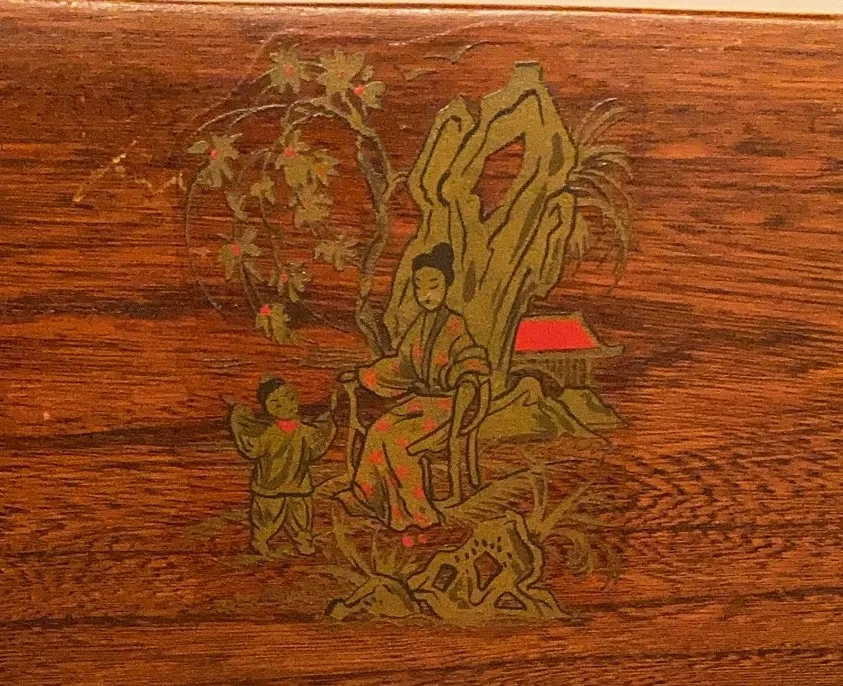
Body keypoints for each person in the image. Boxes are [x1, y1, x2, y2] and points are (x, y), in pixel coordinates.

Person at [336, 243, 490, 531]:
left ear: (447, 285)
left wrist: (458, 380)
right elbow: (402, 365)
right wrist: (364, 375)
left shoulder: (455, 325)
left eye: (434, 285)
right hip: (421, 402)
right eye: (419, 287)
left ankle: (416, 511)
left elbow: (471, 363)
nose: (426, 294)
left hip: (447, 407)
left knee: (397, 442)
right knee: (378, 430)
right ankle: (368, 496)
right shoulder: (420, 324)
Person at [228, 376, 336, 556]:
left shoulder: (305, 431)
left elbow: (318, 441)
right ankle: (260, 540)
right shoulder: (266, 433)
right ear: (267, 408)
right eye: (277, 403)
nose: (285, 405)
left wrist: (329, 417)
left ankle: (303, 541)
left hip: (298, 485)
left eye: (290, 398)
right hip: (270, 486)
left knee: (301, 517)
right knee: (266, 517)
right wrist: (237, 410)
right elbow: (249, 437)